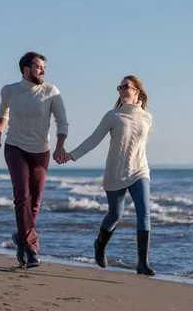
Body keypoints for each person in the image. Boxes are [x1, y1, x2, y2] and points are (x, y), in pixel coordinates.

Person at [66, 75, 156, 275]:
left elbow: (139, 146)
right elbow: (93, 139)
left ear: (137, 91)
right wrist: (72, 155)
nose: (122, 90)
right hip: (116, 172)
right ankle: (100, 245)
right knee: (115, 215)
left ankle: (142, 263)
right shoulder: (113, 116)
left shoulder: (147, 117)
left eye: (126, 87)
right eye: (120, 87)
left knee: (144, 213)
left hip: (140, 170)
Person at [0, 51, 69, 268]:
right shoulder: (9, 91)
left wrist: (60, 146)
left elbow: (62, 122)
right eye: (38, 67)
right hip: (15, 147)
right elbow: (3, 112)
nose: (43, 70)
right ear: (26, 70)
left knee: (35, 201)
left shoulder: (51, 92)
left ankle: (21, 238)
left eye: (44, 67)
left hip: (40, 151)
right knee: (22, 196)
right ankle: (32, 248)